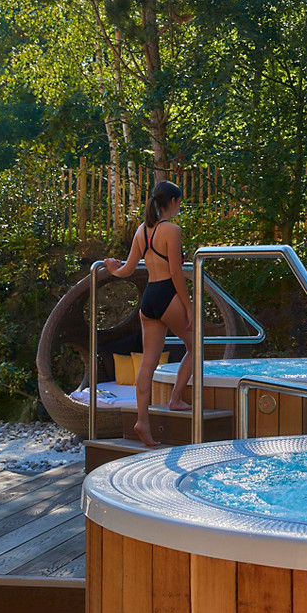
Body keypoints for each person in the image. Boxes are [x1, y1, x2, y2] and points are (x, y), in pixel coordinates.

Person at [103, 180, 194, 447]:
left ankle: (143, 421)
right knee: (195, 347)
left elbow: (128, 269)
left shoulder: (143, 230)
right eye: (179, 202)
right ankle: (175, 399)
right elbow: (176, 274)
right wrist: (187, 305)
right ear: (173, 202)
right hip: (167, 295)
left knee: (148, 363)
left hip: (149, 299)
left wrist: (111, 268)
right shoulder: (172, 230)